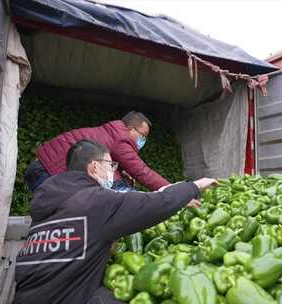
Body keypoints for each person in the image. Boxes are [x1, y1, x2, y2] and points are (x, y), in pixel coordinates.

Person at [14, 140, 215, 304]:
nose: (113, 171)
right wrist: (195, 186)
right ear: (94, 167)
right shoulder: (94, 201)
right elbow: (155, 204)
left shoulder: (51, 202)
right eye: (110, 165)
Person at [24, 111, 170, 193]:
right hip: (46, 172)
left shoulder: (112, 132)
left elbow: (106, 164)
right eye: (143, 135)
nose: (143, 140)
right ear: (130, 128)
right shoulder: (121, 138)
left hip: (40, 167)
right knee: (58, 221)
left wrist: (121, 175)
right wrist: (172, 190)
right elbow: (142, 172)